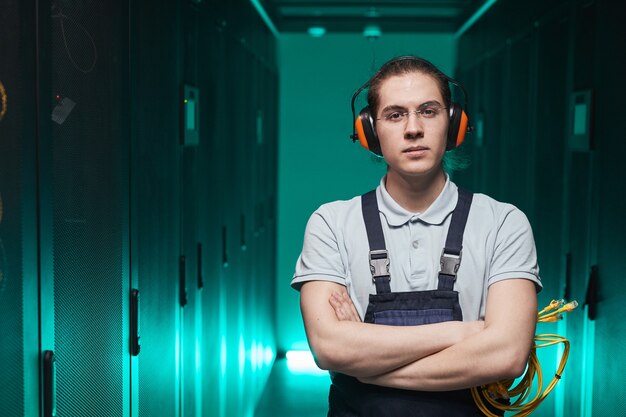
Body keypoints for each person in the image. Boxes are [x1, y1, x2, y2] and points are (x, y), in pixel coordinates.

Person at [291, 56, 542, 416]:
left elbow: (507, 355)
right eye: (395, 115)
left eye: (428, 111)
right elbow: (330, 349)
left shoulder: (503, 223)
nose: (413, 128)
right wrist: (463, 333)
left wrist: (365, 361)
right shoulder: (331, 223)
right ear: (370, 132)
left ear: (454, 124)